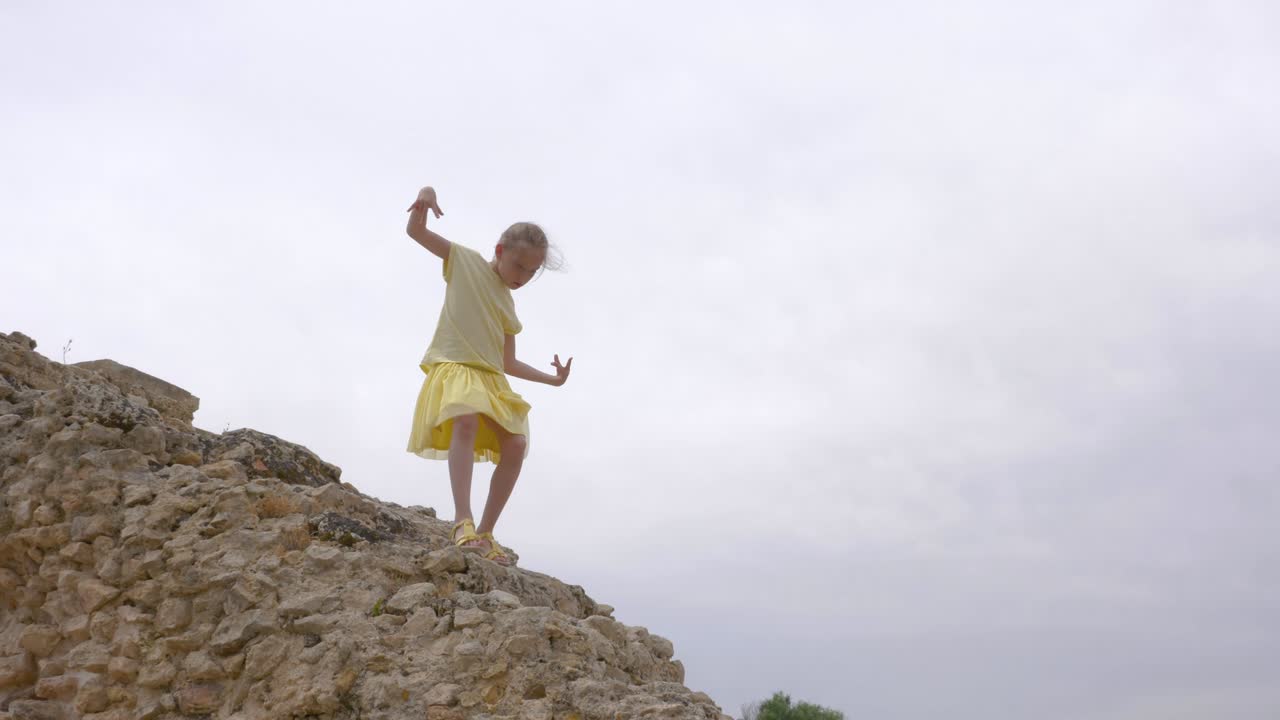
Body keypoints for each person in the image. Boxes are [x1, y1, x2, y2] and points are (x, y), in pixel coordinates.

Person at [404, 185, 571, 567]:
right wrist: (425, 197)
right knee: (464, 418)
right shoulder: (464, 261)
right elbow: (416, 233)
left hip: (491, 378)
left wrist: (553, 380)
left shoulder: (508, 306)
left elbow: (508, 362)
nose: (524, 276)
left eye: (532, 271)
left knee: (514, 445)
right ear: (499, 251)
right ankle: (462, 521)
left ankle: (486, 533)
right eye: (519, 266)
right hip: (457, 365)